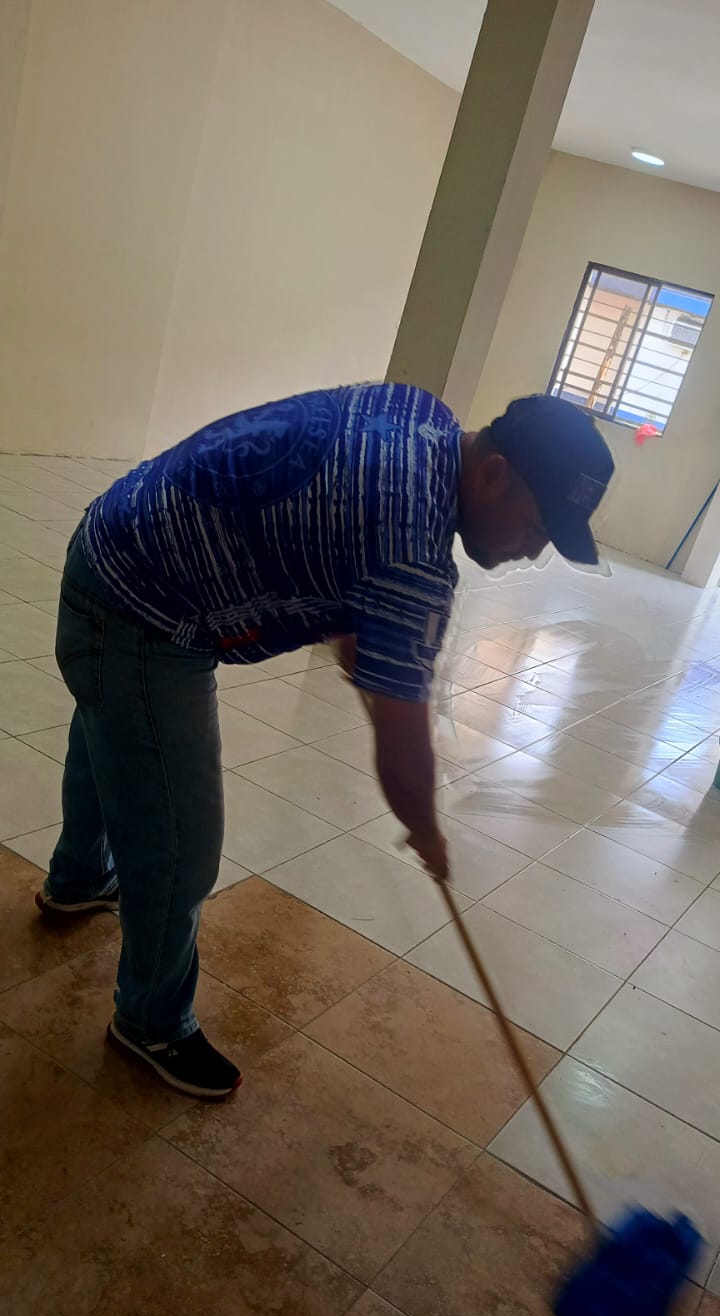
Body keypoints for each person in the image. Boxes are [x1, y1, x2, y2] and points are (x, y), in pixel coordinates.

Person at [38, 384, 614, 1099]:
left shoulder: (422, 419)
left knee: (118, 727)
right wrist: (426, 830)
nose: (532, 551)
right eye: (536, 527)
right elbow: (404, 755)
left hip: (112, 543)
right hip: (143, 611)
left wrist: (352, 623)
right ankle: (150, 1020)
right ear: (493, 475)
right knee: (180, 845)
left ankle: (77, 879)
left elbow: (338, 523)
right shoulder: (414, 557)